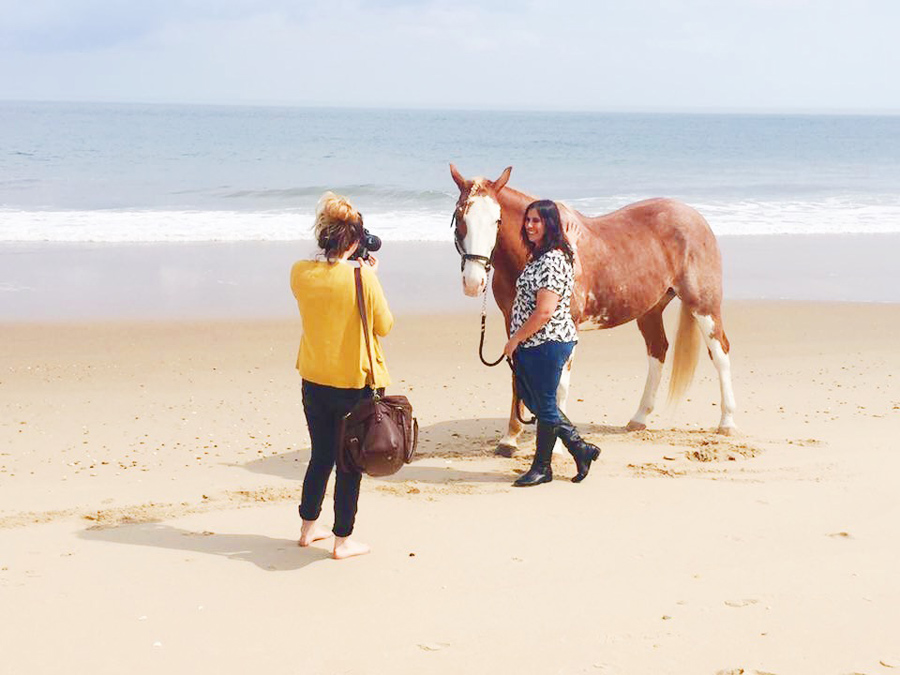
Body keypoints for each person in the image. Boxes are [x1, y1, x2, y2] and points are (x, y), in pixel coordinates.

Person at [290, 191, 393, 559]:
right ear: (353, 240)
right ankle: (342, 541)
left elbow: (325, 296)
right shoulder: (362, 278)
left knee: (320, 456)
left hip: (314, 379)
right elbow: (385, 325)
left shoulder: (300, 272)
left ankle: (307, 529)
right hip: (353, 383)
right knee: (350, 464)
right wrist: (370, 277)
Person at [502, 199, 601, 487]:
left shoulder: (552, 259)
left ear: (550, 225)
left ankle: (542, 468)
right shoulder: (547, 255)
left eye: (538, 221)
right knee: (533, 399)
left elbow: (544, 312)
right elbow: (577, 273)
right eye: (528, 220)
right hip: (536, 343)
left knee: (544, 405)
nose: (530, 225)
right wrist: (570, 244)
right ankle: (580, 448)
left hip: (546, 342)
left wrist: (515, 339)